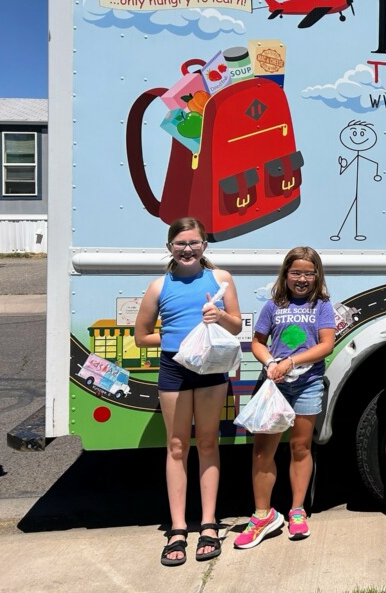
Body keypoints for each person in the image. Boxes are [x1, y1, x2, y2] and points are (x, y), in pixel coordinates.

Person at [134, 217, 242, 567]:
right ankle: (178, 528)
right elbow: (142, 335)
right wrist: (175, 341)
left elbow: (237, 325)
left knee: (208, 443)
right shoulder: (158, 286)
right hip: (174, 369)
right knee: (177, 445)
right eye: (180, 243)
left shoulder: (221, 280)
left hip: (212, 368)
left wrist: (217, 316)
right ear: (169, 248)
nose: (187, 249)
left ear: (204, 246)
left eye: (194, 243)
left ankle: (209, 524)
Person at [234, 246, 335, 549]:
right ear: (286, 274)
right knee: (263, 452)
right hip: (273, 386)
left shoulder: (322, 305)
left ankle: (297, 510)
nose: (302, 278)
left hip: (308, 384)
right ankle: (263, 515)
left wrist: (292, 362)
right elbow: (258, 342)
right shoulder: (272, 305)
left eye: (308, 272)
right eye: (296, 272)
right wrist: (270, 363)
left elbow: (326, 344)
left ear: (317, 275)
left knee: (300, 447)